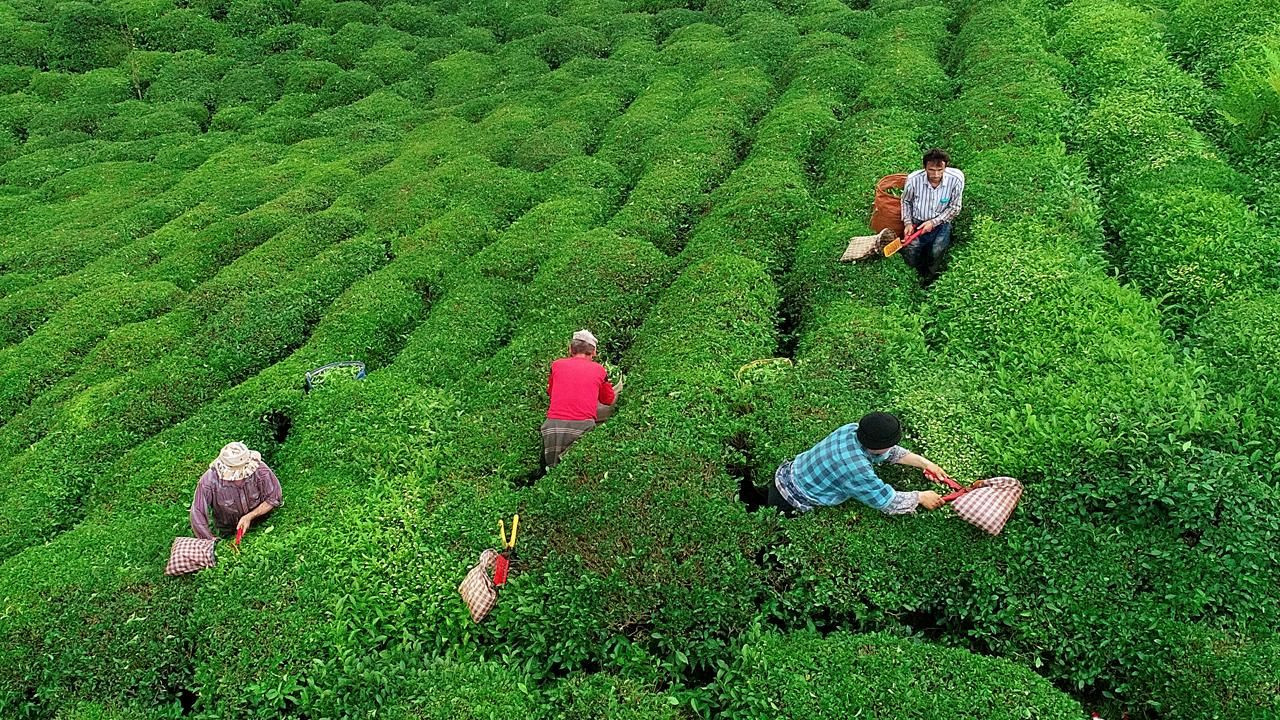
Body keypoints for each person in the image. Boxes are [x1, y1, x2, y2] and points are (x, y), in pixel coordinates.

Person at [766, 412, 955, 517]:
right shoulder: (856, 470)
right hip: (792, 499)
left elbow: (889, 453)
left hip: (786, 474)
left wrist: (925, 463)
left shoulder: (851, 429)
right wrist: (921, 497)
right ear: (880, 446)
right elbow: (885, 501)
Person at [541, 329, 617, 469]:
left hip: (553, 426)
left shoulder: (556, 365)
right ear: (594, 352)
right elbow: (608, 400)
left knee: (552, 472)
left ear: (570, 349)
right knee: (574, 470)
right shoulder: (599, 370)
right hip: (583, 427)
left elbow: (551, 392)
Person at [189, 441, 282, 541]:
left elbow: (274, 497)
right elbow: (197, 512)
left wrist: (250, 516)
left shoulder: (260, 470)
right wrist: (210, 540)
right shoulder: (209, 481)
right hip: (228, 530)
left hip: (261, 522)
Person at [900, 148, 965, 285]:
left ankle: (929, 278)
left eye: (940, 170)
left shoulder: (956, 179)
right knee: (911, 250)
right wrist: (907, 223)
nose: (936, 175)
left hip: (941, 223)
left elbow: (955, 207)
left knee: (937, 250)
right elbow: (906, 201)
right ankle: (911, 278)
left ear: (945, 167)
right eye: (931, 170)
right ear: (924, 168)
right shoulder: (913, 180)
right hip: (917, 222)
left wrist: (934, 222)